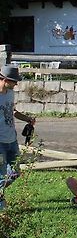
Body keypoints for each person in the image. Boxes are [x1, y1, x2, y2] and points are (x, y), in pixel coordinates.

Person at [0, 65, 35, 208]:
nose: (16, 84)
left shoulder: (9, 93)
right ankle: (1, 206)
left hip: (12, 139)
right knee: (1, 174)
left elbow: (12, 111)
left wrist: (27, 119)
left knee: (15, 172)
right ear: (5, 80)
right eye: (14, 81)